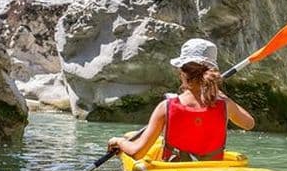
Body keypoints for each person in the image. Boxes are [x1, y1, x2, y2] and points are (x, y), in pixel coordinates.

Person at [107, 38, 255, 161]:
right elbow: (249, 124)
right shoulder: (225, 105)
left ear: (182, 73)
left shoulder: (166, 107)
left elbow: (137, 153)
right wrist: (220, 94)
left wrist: (119, 142)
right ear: (212, 72)